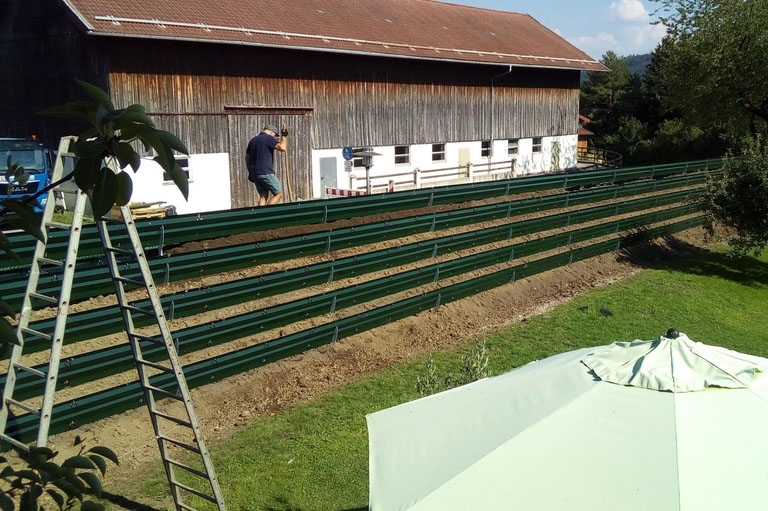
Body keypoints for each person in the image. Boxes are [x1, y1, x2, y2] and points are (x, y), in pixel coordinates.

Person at [245, 124, 288, 205]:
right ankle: (268, 214)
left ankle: (259, 216)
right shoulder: (268, 138)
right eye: (275, 135)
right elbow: (283, 147)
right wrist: (284, 136)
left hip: (255, 173)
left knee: (263, 196)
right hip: (266, 172)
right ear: (272, 132)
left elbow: (247, 157)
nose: (274, 137)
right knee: (278, 194)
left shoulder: (253, 140)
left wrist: (250, 172)